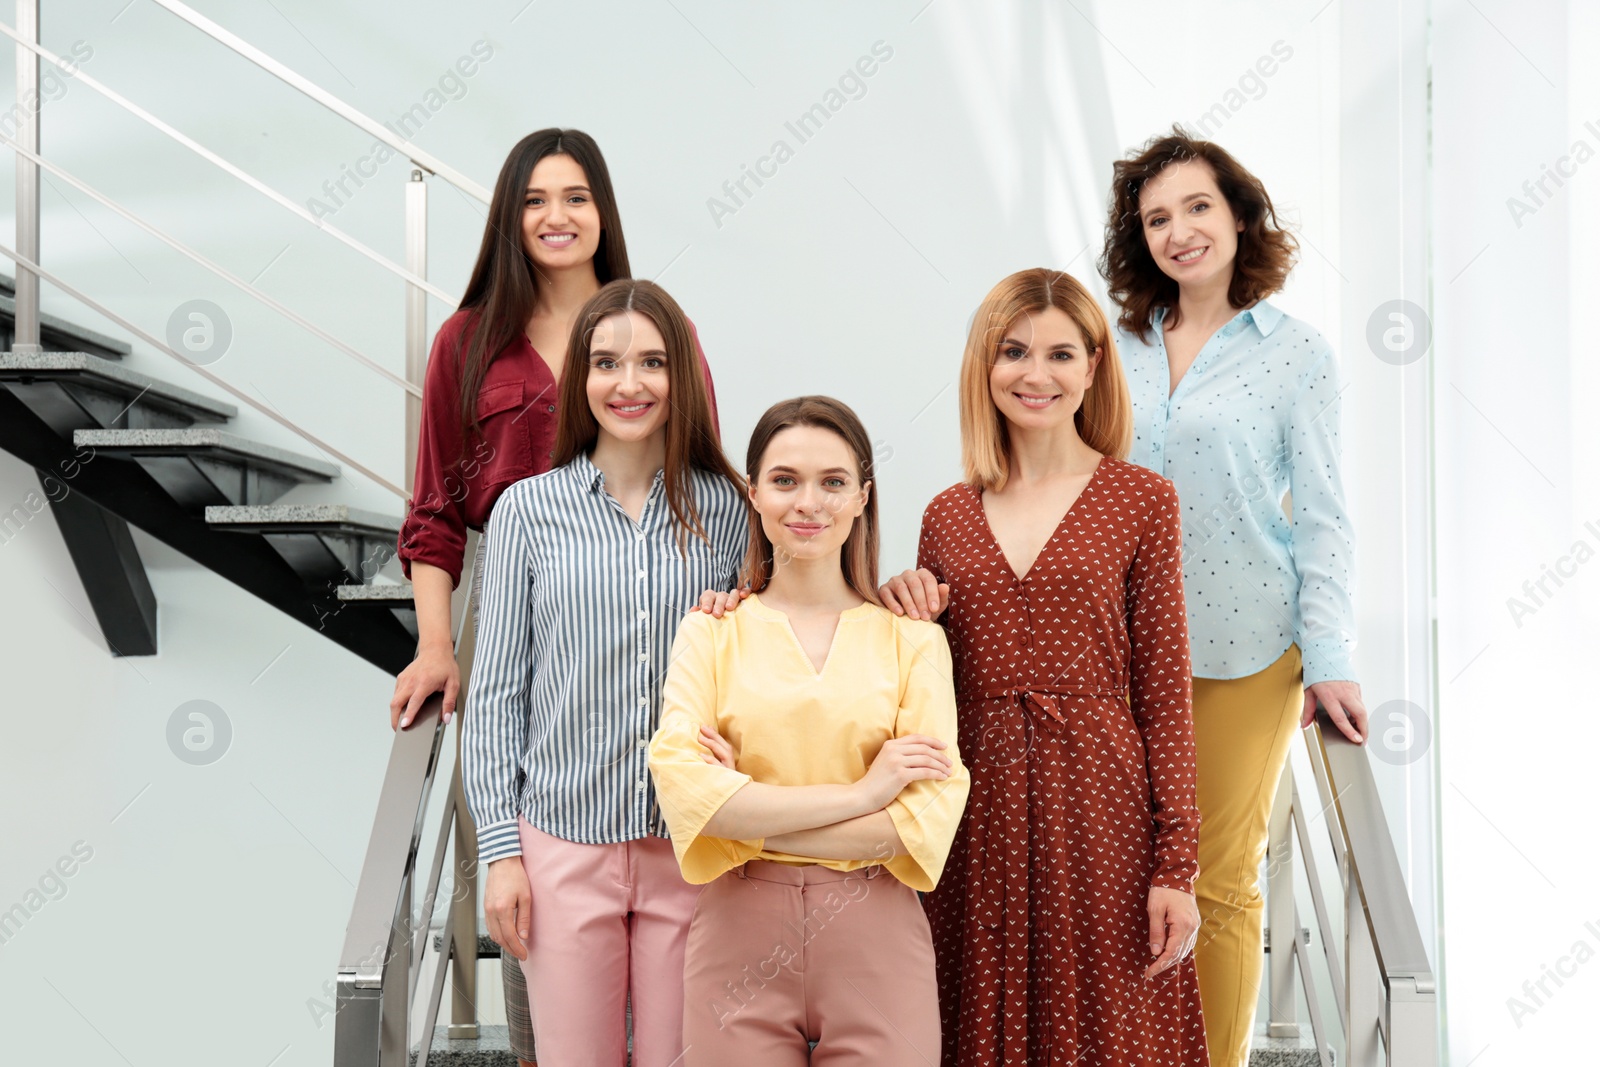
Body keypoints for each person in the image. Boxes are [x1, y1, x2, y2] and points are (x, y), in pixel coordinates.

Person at [390, 128, 718, 1062]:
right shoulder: (468, 340)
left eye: (575, 196)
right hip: (522, 591)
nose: (557, 216)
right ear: (509, 216)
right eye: (535, 199)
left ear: (603, 212)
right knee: (540, 890)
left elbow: (703, 478)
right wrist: (438, 642)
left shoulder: (660, 330)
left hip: (663, 595)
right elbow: (437, 509)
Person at [879, 269, 1208, 1064]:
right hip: (976, 811)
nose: (1036, 373)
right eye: (1015, 351)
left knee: (1107, 1027)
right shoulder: (945, 513)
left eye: (1061, 353)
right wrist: (901, 607)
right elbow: (926, 684)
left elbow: (1164, 695)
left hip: (1102, 807)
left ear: (1094, 366)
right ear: (984, 366)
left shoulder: (1142, 499)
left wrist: (1178, 865)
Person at [1092, 126, 1366, 1067]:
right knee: (1124, 874)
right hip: (1116, 649)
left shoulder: (1297, 354)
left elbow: (1325, 519)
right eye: (1157, 218)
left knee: (1215, 881)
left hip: (1245, 649)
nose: (1179, 232)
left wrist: (1330, 660)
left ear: (1240, 217)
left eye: (1197, 207)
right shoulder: (1107, 346)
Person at [463, 279, 747, 1067]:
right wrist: (500, 851)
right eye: (607, 361)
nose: (630, 383)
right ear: (579, 379)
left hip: (692, 844)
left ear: (681, 375)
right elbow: (494, 696)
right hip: (560, 843)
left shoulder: (729, 510)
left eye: (652, 361)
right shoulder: (525, 511)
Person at [649, 396, 970, 1066]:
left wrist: (740, 806)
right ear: (754, 493)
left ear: (862, 498)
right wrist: (865, 792)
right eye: (785, 479)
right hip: (736, 939)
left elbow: (922, 819)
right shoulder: (709, 632)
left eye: (833, 482)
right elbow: (683, 787)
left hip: (877, 938)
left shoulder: (914, 641)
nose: (809, 503)